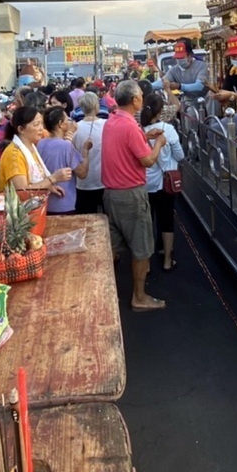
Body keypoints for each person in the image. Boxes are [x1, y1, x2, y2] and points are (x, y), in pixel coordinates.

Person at [102, 80, 168, 311]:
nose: (142, 97)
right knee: (141, 249)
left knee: (113, 246)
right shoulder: (129, 126)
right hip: (130, 195)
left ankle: (103, 294)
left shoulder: (114, 120)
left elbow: (127, 144)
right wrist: (158, 143)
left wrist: (146, 136)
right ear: (134, 100)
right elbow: (148, 160)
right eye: (140, 94)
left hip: (112, 194)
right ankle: (139, 297)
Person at [140, 95, 184, 272]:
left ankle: (147, 263)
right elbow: (180, 155)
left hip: (146, 183)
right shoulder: (169, 130)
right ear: (161, 111)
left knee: (147, 222)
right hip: (166, 183)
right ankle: (167, 260)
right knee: (166, 221)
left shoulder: (140, 130)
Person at [0, 107, 71, 196]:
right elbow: (22, 190)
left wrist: (49, 186)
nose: (41, 129)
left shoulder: (30, 147)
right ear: (21, 129)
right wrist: (53, 178)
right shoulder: (14, 154)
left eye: (41, 124)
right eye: (36, 124)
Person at [37, 107, 90, 215]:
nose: (70, 122)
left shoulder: (40, 143)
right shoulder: (66, 146)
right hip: (64, 202)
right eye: (67, 120)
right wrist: (85, 152)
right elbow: (82, 173)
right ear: (60, 124)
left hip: (45, 202)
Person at [72, 92, 106, 215]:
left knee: (85, 219)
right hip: (104, 180)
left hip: (83, 182)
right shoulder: (106, 125)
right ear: (96, 106)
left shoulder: (75, 128)